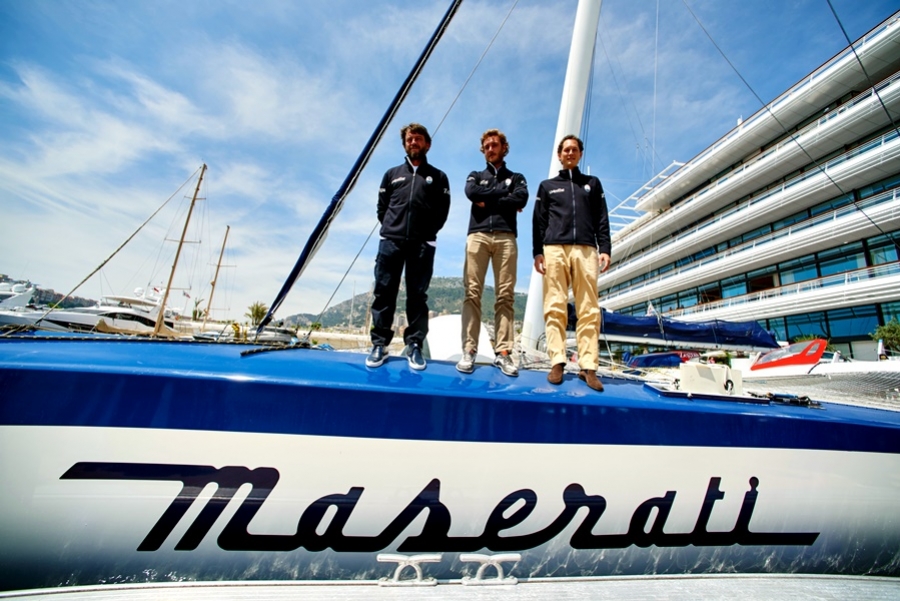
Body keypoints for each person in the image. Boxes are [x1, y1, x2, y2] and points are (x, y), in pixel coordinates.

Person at [366, 123, 451, 371]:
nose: (413, 143)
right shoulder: (392, 174)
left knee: (417, 297)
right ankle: (379, 344)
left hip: (422, 244)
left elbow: (442, 212)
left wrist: (426, 233)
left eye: (418, 139)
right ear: (405, 144)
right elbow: (382, 209)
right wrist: (393, 229)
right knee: (384, 292)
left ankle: (414, 345)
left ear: (427, 144)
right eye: (410, 139)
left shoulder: (438, 176)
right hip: (391, 242)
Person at [532, 134, 611, 391]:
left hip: (587, 249)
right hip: (554, 248)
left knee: (589, 308)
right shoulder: (547, 186)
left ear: (580, 154)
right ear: (559, 155)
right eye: (565, 150)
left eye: (574, 149)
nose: (569, 153)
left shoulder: (592, 184)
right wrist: (538, 252)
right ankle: (557, 361)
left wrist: (605, 248)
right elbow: (539, 221)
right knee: (555, 305)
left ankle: (588, 367)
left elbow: (602, 217)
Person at [456, 129, 529, 376]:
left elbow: (522, 198)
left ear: (503, 148)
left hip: (506, 236)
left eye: (494, 145)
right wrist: (504, 197)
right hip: (477, 235)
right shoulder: (474, 175)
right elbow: (471, 193)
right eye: (486, 145)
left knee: (505, 295)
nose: (490, 148)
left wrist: (492, 199)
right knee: (472, 292)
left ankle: (504, 353)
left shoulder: (516, 177)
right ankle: (469, 350)